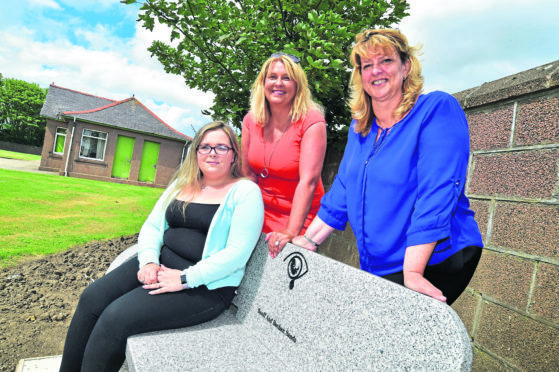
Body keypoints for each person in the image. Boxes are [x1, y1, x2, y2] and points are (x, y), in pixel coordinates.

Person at [292, 29, 483, 305]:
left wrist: (413, 271)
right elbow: (343, 188)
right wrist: (309, 240)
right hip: (382, 264)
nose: (375, 71)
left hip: (434, 259)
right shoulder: (359, 129)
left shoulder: (435, 110)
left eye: (385, 61)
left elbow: (438, 191)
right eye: (366, 65)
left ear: (406, 66)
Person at [59, 121, 264, 371]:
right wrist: (148, 261)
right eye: (205, 147)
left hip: (205, 286)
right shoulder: (182, 184)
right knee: (91, 299)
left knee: (115, 318)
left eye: (222, 147)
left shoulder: (245, 192)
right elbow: (153, 227)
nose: (212, 153)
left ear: (233, 155)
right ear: (196, 152)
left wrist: (185, 277)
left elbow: (236, 253)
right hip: (159, 265)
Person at [241, 52, 327, 258]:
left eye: (286, 78)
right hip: (261, 211)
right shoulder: (250, 121)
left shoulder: (312, 121)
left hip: (300, 215)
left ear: (297, 86)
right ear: (263, 83)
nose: (278, 83)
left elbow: (309, 181)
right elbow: (248, 177)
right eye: (272, 77)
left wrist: (290, 231)